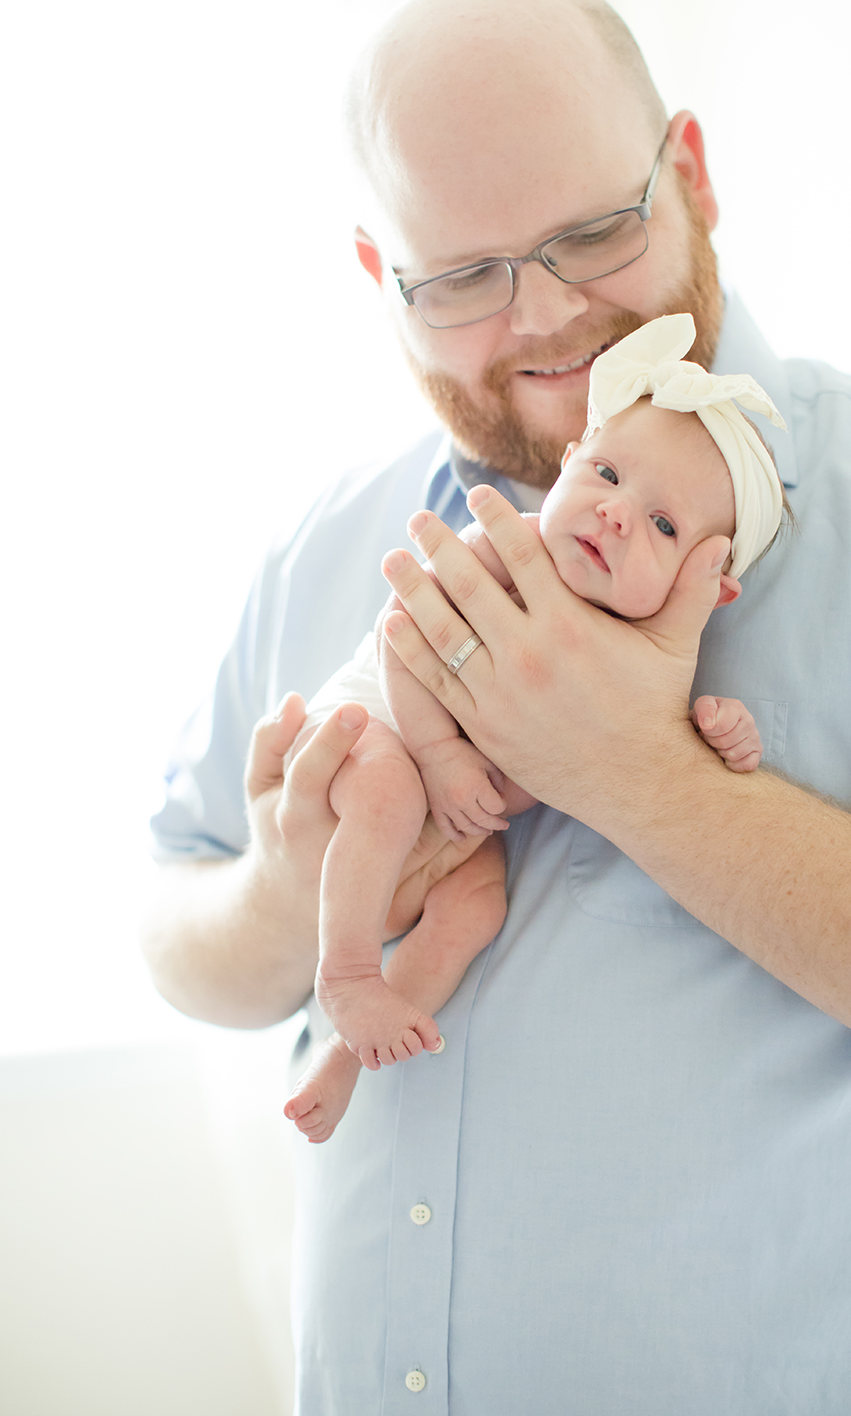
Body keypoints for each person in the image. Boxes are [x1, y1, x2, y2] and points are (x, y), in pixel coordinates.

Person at [143, 0, 851, 1416]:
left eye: (592, 235)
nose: (546, 321)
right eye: (463, 277)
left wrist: (638, 777)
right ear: (382, 280)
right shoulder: (332, 540)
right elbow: (176, 928)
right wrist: (302, 893)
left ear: (693, 178)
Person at [283, 312, 786, 1144]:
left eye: (663, 526)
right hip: (383, 725)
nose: (618, 515)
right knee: (386, 790)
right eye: (608, 474)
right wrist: (439, 753)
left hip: (463, 812)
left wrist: (720, 729)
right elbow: (400, 637)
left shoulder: (643, 655)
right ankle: (345, 972)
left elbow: (658, 746)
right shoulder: (503, 553)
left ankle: (344, 1053)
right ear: (567, 464)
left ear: (709, 584)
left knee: (474, 910)